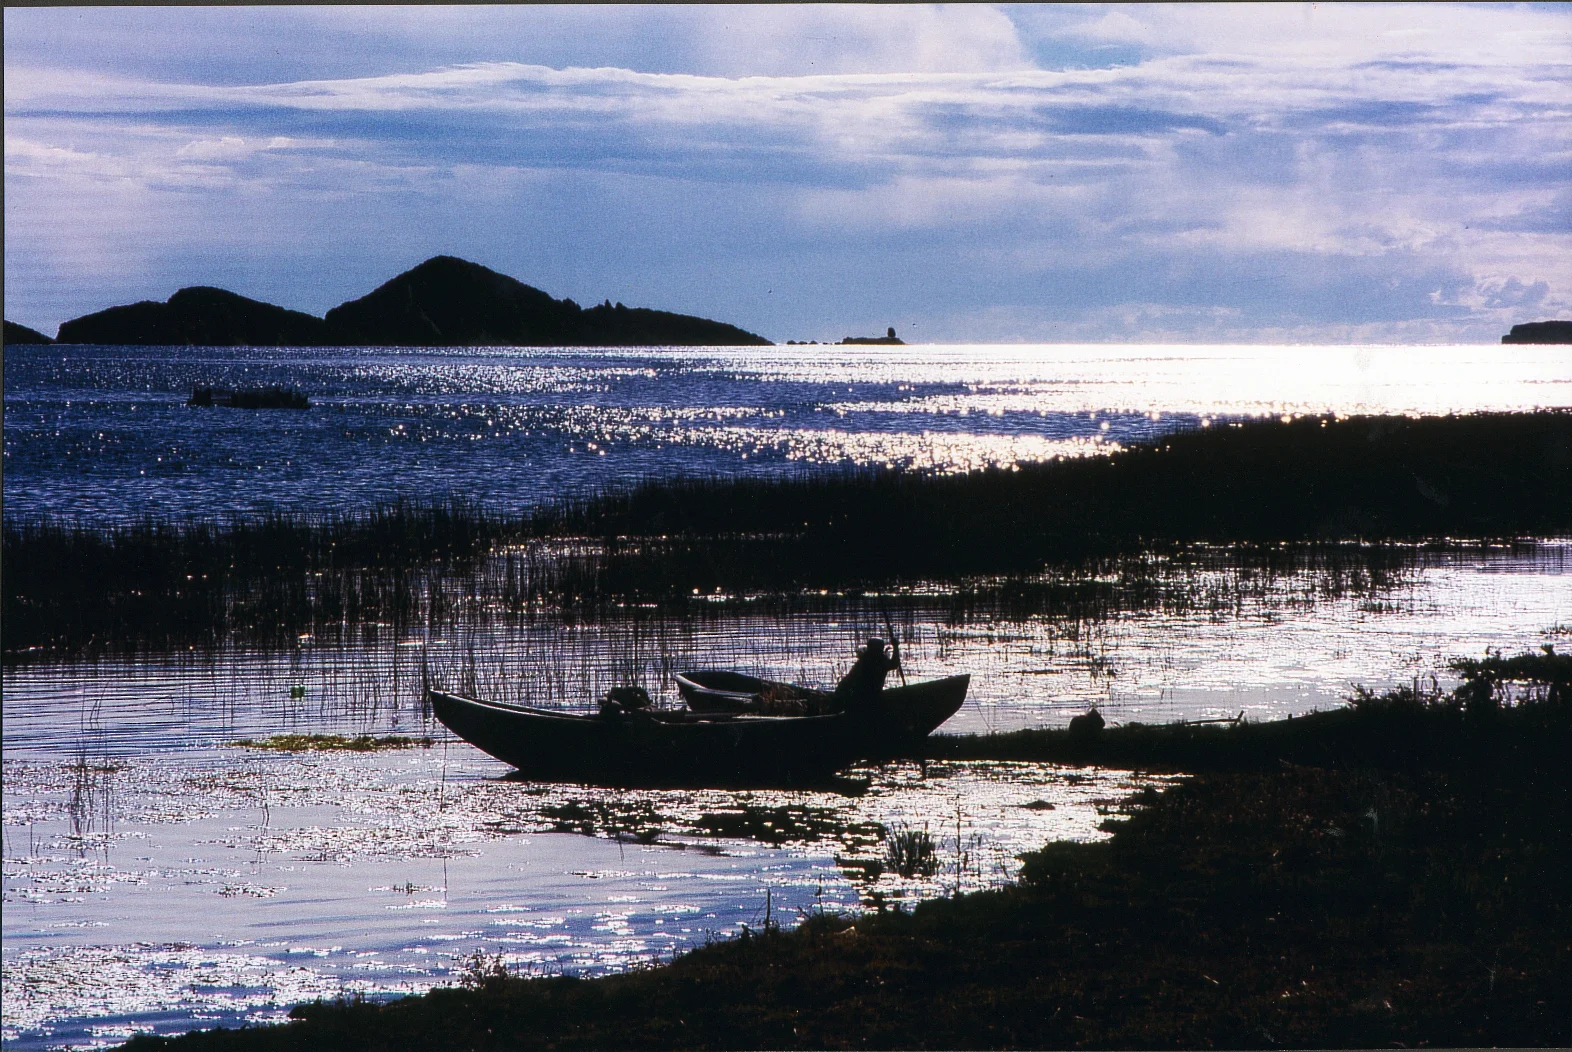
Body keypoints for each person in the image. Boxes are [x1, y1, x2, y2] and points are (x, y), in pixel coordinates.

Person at [834, 637, 900, 714]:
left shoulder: (866, 660)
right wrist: (896, 647)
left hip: (866, 697)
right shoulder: (878, 660)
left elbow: (848, 680)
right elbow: (894, 664)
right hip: (867, 698)